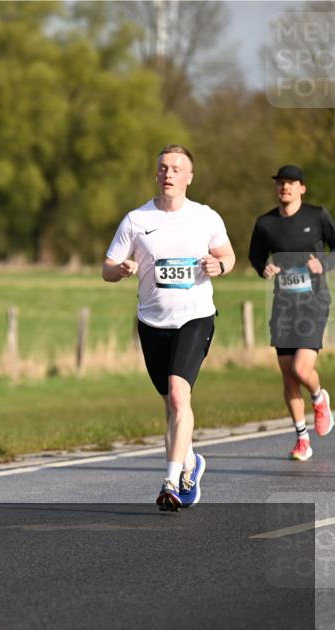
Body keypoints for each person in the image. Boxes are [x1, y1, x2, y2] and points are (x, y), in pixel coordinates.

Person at [103, 144, 235, 511]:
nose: (169, 173)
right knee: (170, 404)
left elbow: (229, 256)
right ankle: (191, 462)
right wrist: (121, 270)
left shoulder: (206, 217)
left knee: (179, 395)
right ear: (156, 174)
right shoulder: (136, 220)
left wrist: (219, 267)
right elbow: (107, 268)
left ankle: (172, 480)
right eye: (163, 168)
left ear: (189, 177)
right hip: (151, 322)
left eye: (177, 168)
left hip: (195, 317)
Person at [248, 164, 335, 461]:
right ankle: (302, 439)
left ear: (302, 188)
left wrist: (323, 265)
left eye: (291, 183)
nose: (285, 188)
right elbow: (255, 256)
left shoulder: (317, 215)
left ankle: (319, 398)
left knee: (301, 369)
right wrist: (265, 268)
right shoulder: (265, 224)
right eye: (281, 183)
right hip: (284, 305)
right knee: (288, 376)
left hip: (314, 302)